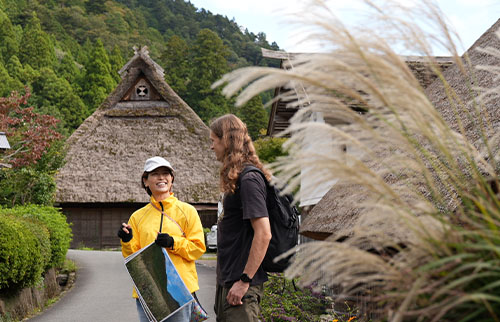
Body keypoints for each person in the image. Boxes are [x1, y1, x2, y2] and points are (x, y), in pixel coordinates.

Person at [118, 156, 206, 322]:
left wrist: (173, 243)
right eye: (155, 174)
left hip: (179, 290)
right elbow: (132, 257)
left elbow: (198, 249)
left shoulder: (187, 211)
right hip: (148, 290)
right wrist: (127, 240)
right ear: (145, 181)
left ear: (172, 179)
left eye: (166, 173)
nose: (161, 177)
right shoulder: (137, 217)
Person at [209, 114, 272, 322]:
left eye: (213, 141)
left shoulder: (249, 178)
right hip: (228, 282)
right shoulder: (237, 177)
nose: (211, 147)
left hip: (241, 287)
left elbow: (264, 233)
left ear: (225, 140)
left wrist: (244, 281)